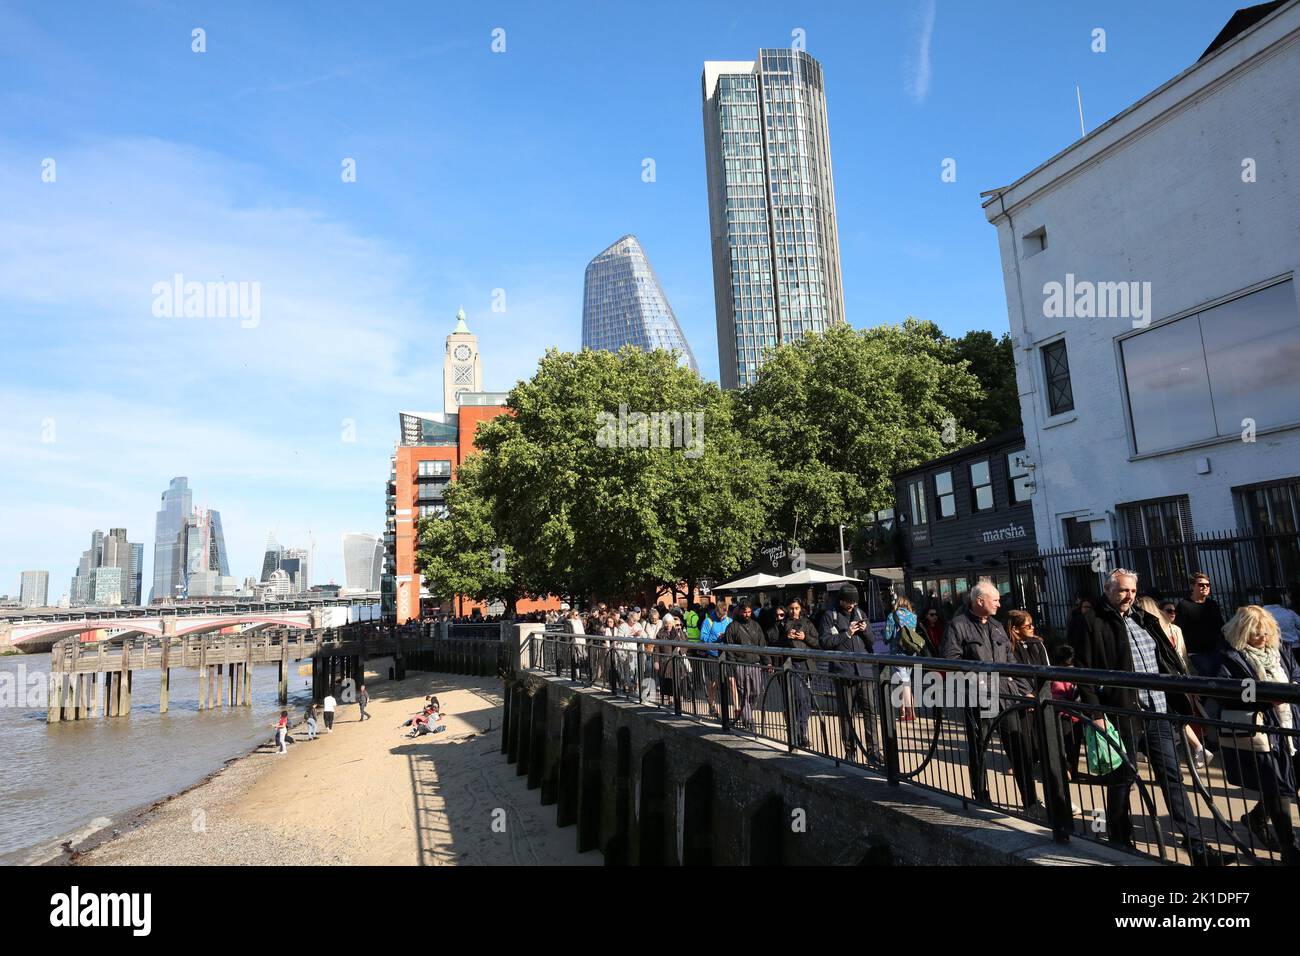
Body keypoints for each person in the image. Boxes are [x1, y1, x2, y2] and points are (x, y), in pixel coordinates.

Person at [1069, 568, 1234, 866]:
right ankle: (1120, 841)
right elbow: (1083, 671)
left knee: (1173, 779)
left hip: (1158, 712)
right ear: (1107, 590)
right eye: (1121, 590)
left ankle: (1198, 849)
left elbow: (1166, 662)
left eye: (1132, 591)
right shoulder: (1091, 622)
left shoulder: (1144, 619)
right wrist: (1096, 713)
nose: (1128, 596)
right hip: (1122, 713)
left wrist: (1180, 699)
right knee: (1122, 780)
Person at [1203, 606, 1299, 863]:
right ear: (1243, 631)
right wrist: (1263, 698)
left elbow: (1296, 673)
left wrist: (1293, 688)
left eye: (1266, 632)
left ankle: (1256, 818)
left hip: (1289, 725)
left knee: (1289, 782)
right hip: (1262, 729)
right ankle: (1290, 848)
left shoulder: (1281, 650)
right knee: (1279, 786)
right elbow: (1226, 691)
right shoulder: (1228, 656)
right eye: (1257, 633)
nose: (1263, 638)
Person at [942, 582, 1012, 803]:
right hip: (977, 696)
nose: (999, 604)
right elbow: (951, 660)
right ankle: (981, 794)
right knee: (979, 746)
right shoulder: (958, 626)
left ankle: (1030, 800)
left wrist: (1023, 689)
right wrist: (978, 677)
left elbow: (1011, 658)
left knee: (1016, 744)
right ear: (980, 601)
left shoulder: (998, 626)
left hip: (1004, 694)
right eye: (995, 600)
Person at [1139, 595, 1210, 768]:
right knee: (1175, 720)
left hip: (1171, 679)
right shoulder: (1149, 629)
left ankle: (1186, 752)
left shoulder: (1170, 630)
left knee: (1174, 720)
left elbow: (1182, 654)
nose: (1172, 613)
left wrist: (1188, 677)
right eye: (1169, 610)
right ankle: (1195, 749)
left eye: (1174, 611)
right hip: (1166, 681)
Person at [818, 583, 884, 769]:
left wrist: (865, 630)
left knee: (870, 712)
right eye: (849, 603)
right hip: (843, 672)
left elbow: (872, 641)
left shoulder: (861, 613)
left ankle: (874, 752)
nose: (852, 606)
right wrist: (847, 634)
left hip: (863, 671)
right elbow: (825, 642)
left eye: (854, 603)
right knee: (847, 714)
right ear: (841, 600)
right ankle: (850, 752)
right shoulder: (830, 616)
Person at [1004, 610, 1049, 820]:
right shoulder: (1009, 647)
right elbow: (1011, 674)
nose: (1032, 629)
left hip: (1041, 700)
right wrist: (1025, 695)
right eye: (1028, 625)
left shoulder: (1037, 643)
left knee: (1048, 749)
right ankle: (1031, 802)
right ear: (1015, 629)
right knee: (1025, 751)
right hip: (1021, 704)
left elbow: (1046, 671)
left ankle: (1054, 799)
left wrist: (1038, 695)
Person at [773, 598, 819, 748]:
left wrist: (805, 638)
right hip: (790, 666)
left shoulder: (807, 623)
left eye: (797, 608)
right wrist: (786, 638)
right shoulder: (782, 624)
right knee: (797, 699)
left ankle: (801, 734)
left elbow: (818, 642)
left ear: (801, 609)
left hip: (805, 665)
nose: (794, 611)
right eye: (791, 608)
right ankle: (796, 733)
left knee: (805, 702)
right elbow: (774, 643)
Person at [727, 599, 768, 729]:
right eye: (745, 612)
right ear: (740, 611)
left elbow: (762, 645)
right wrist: (732, 668)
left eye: (749, 612)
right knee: (743, 692)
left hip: (755, 663)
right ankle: (749, 719)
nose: (747, 614)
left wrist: (767, 662)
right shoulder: (732, 627)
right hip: (740, 664)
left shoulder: (756, 625)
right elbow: (729, 649)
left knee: (756, 691)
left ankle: (748, 711)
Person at [1049, 644, 1084, 783]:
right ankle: (1068, 769)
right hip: (1066, 716)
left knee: (1072, 746)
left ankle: (1071, 769)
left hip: (1074, 715)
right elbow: (1058, 694)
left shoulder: (1068, 672)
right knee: (1069, 745)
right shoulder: (1061, 675)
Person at [884, 596, 921, 720]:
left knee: (904, 683)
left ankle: (911, 713)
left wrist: (885, 638)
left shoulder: (892, 616)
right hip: (911, 653)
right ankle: (903, 712)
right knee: (905, 682)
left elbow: (888, 635)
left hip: (897, 653)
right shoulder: (913, 617)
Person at [1177, 572, 1226, 661]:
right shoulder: (1184, 605)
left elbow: (1220, 626)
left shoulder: (1213, 604)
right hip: (1195, 653)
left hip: (1214, 651)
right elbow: (1178, 630)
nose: (1205, 587)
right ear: (1192, 586)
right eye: (1201, 585)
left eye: (1207, 585)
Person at [699, 601, 732, 718]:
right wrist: (714, 637)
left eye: (725, 614)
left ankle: (737, 709)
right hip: (712, 654)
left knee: (731, 681)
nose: (723, 617)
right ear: (716, 611)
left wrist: (726, 636)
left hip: (726, 655)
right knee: (713, 683)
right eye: (721, 615)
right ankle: (712, 706)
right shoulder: (709, 621)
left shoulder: (729, 620)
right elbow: (702, 637)